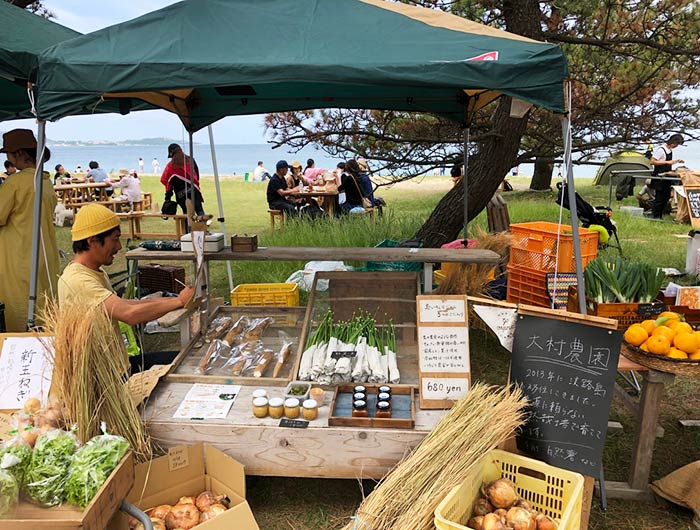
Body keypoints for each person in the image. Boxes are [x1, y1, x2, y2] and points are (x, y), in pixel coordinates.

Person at [58, 204, 194, 358]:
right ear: (93, 241)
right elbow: (129, 314)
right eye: (115, 239)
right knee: (184, 361)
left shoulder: (94, 272)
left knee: (185, 358)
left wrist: (176, 299)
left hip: (119, 366)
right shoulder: (78, 280)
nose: (119, 247)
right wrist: (179, 301)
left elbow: (127, 304)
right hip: (106, 378)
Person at [0, 129, 59, 331]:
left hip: (19, 255)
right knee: (43, 303)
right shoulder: (45, 181)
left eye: (7, 154)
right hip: (44, 254)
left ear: (19, 154)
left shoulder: (15, 182)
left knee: (18, 305)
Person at [160, 143, 204, 216]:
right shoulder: (190, 160)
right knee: (199, 210)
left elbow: (168, 182)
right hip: (193, 190)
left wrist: (167, 198)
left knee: (186, 214)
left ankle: (187, 227)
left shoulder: (170, 166)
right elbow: (196, 174)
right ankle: (203, 226)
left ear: (171, 154)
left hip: (180, 194)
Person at [649, 133, 685, 219]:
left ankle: (660, 215)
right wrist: (667, 162)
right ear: (672, 142)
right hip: (659, 177)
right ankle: (655, 215)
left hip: (666, 177)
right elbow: (652, 161)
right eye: (676, 144)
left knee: (666, 197)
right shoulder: (661, 150)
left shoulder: (670, 150)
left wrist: (676, 161)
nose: (676, 146)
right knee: (659, 198)